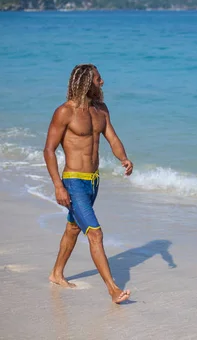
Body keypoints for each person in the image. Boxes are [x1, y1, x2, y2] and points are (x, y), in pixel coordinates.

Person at [43, 63, 134, 304]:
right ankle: (113, 289)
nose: (102, 83)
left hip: (93, 182)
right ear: (85, 83)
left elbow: (112, 137)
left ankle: (56, 273)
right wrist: (58, 186)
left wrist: (123, 158)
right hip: (72, 181)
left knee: (73, 228)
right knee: (96, 234)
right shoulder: (65, 112)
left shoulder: (101, 110)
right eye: (98, 79)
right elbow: (49, 150)